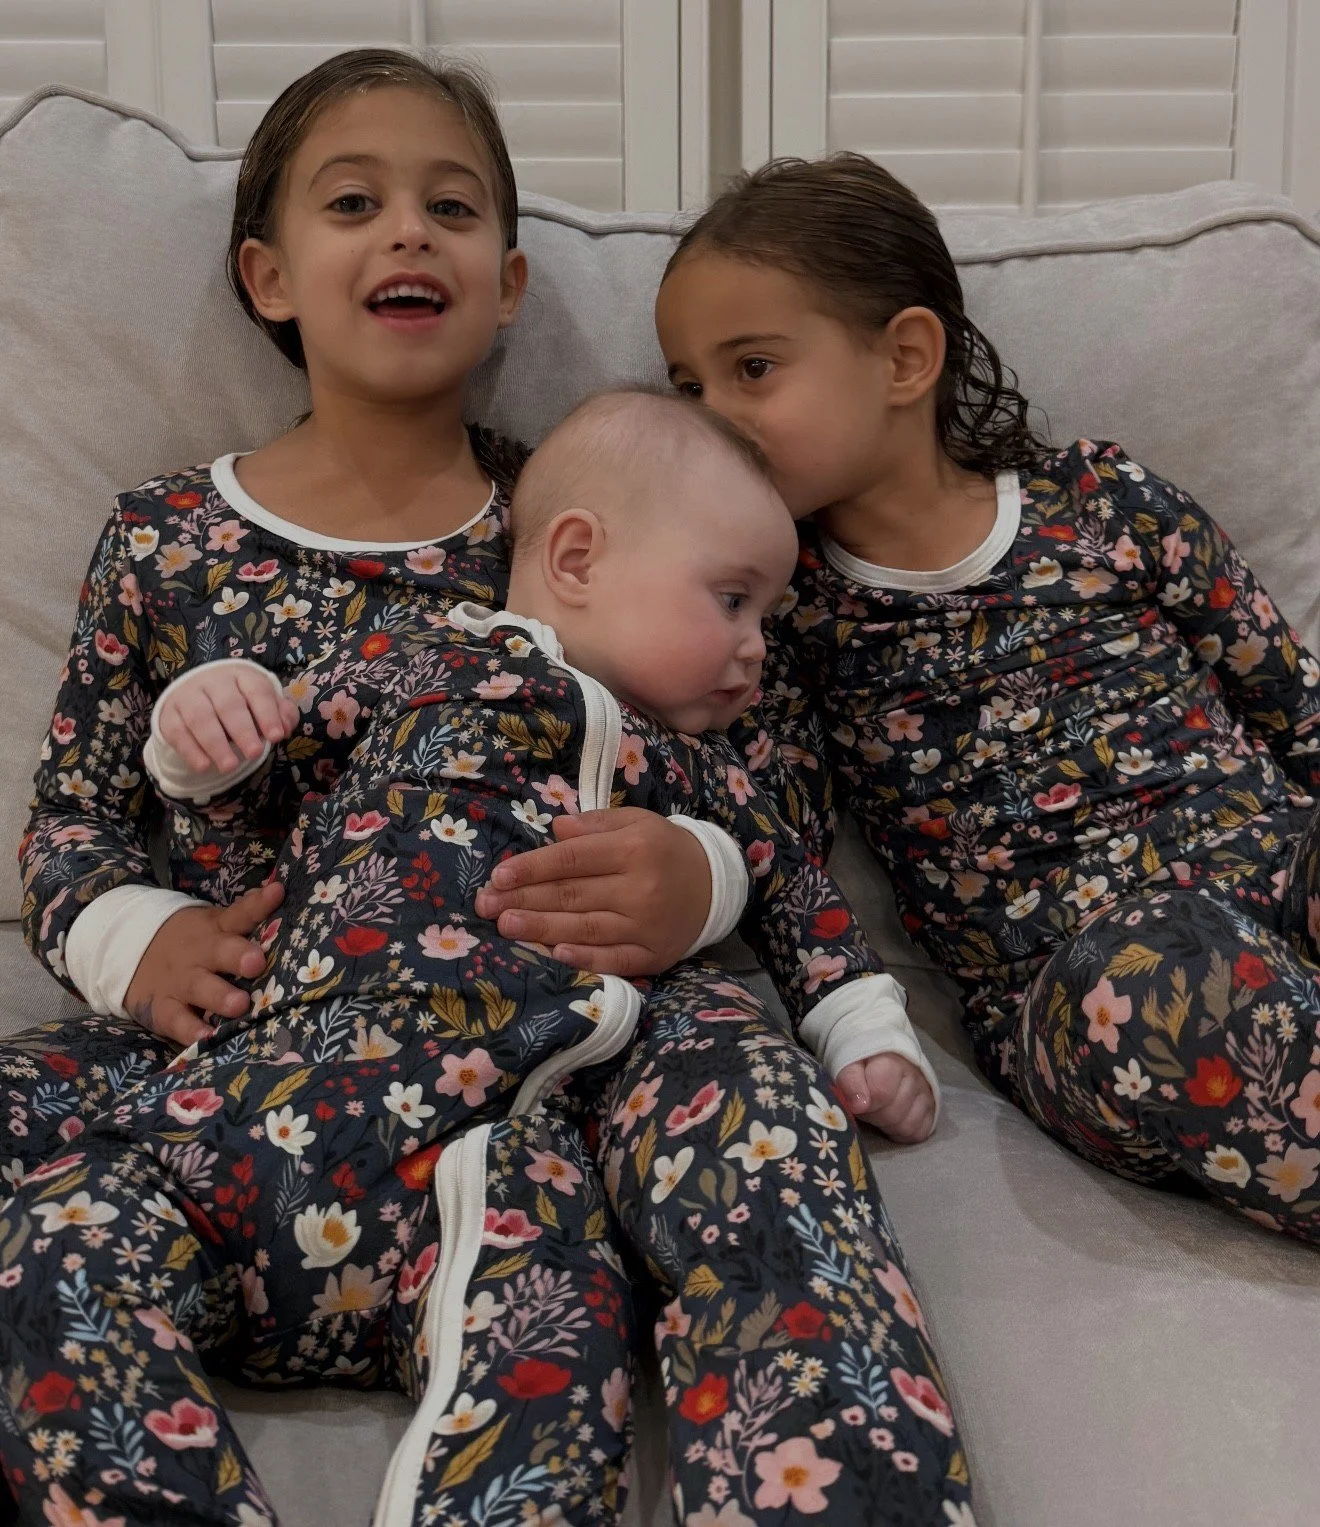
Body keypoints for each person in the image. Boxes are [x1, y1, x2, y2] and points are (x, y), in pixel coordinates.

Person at [4, 55, 971, 1527]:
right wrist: (140, 938)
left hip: (578, 1018)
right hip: (271, 1020)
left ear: (509, 278)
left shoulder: (600, 498)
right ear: (268, 273)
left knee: (757, 1096)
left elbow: (756, 751)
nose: (409, 232)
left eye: (451, 205)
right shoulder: (163, 537)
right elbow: (68, 824)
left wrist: (694, 870)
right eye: (355, 202)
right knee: (48, 1219)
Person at [655, 150, 1320, 1243]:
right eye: (687, 386)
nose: (710, 415)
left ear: (907, 357)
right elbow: (780, 847)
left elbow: (1292, 703)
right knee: (1160, 965)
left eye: (753, 369)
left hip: (1283, 875)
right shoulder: (783, 616)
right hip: (1090, 988)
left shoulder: (1107, 501)